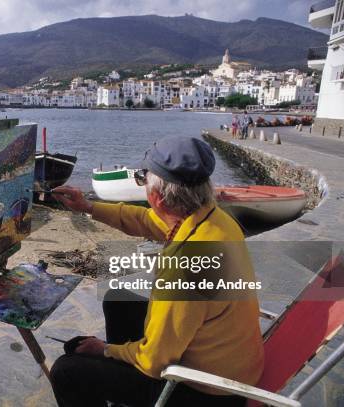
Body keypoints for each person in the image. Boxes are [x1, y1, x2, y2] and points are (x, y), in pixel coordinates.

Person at [49, 136, 264, 407]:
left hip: (207, 392)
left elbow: (154, 361)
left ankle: (125, 383)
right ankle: (123, 383)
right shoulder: (213, 219)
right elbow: (145, 220)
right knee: (118, 298)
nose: (142, 182)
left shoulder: (185, 266)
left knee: (67, 371)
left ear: (156, 198)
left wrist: (104, 350)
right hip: (231, 361)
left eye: (142, 178)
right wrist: (88, 207)